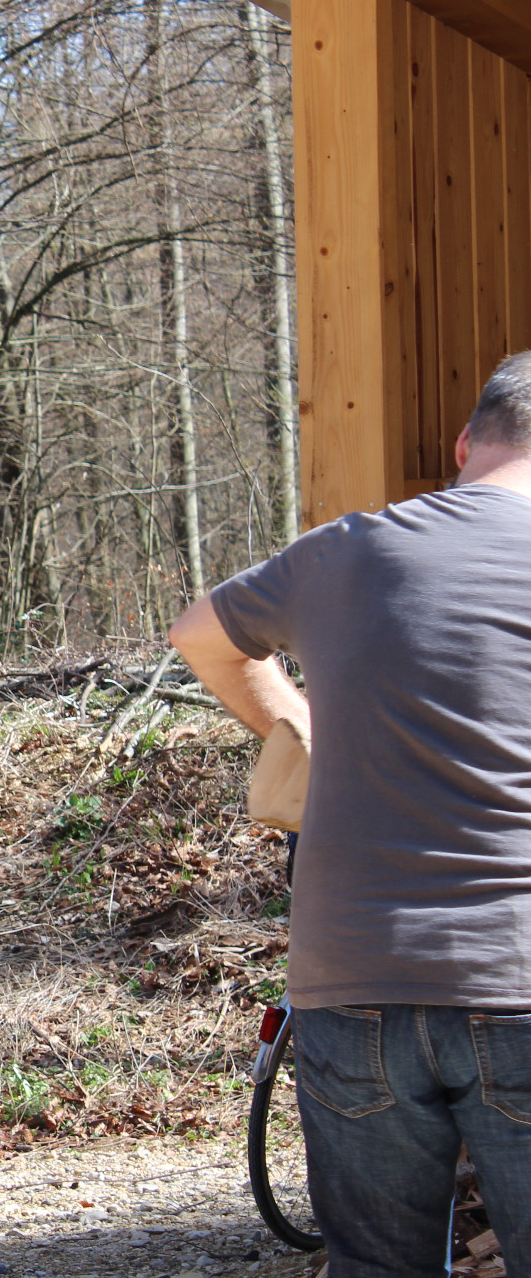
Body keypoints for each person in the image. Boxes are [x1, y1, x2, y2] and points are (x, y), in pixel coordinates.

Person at [170, 355, 531, 1276]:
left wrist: (298, 727)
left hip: (351, 981)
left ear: (465, 444)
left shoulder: (343, 550)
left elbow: (198, 635)